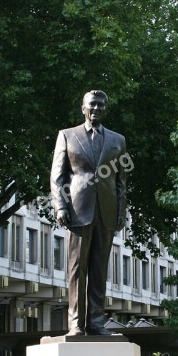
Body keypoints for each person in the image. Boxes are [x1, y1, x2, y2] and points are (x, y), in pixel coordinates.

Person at [50, 90, 128, 336]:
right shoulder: (67, 135)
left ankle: (96, 322)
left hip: (106, 212)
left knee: (98, 269)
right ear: (83, 108)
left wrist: (121, 212)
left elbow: (121, 181)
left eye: (101, 106)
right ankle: (76, 323)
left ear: (106, 109)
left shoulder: (118, 140)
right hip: (77, 211)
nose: (96, 109)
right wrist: (60, 206)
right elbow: (57, 176)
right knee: (76, 269)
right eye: (92, 105)